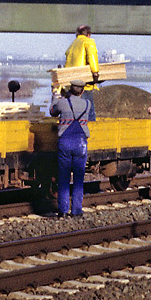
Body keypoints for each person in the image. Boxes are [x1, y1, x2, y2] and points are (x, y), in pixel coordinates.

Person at [49, 80, 93, 217]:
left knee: (63, 177)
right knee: (79, 178)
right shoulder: (87, 104)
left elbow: (52, 112)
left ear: (70, 90)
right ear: (82, 91)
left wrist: (56, 97)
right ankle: (76, 211)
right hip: (81, 143)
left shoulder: (62, 103)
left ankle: (62, 211)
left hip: (65, 142)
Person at [64, 24, 99, 119]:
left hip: (70, 85)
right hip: (83, 85)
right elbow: (92, 56)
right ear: (88, 34)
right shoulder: (88, 42)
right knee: (89, 112)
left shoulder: (72, 45)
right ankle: (91, 131)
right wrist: (95, 73)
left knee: (72, 112)